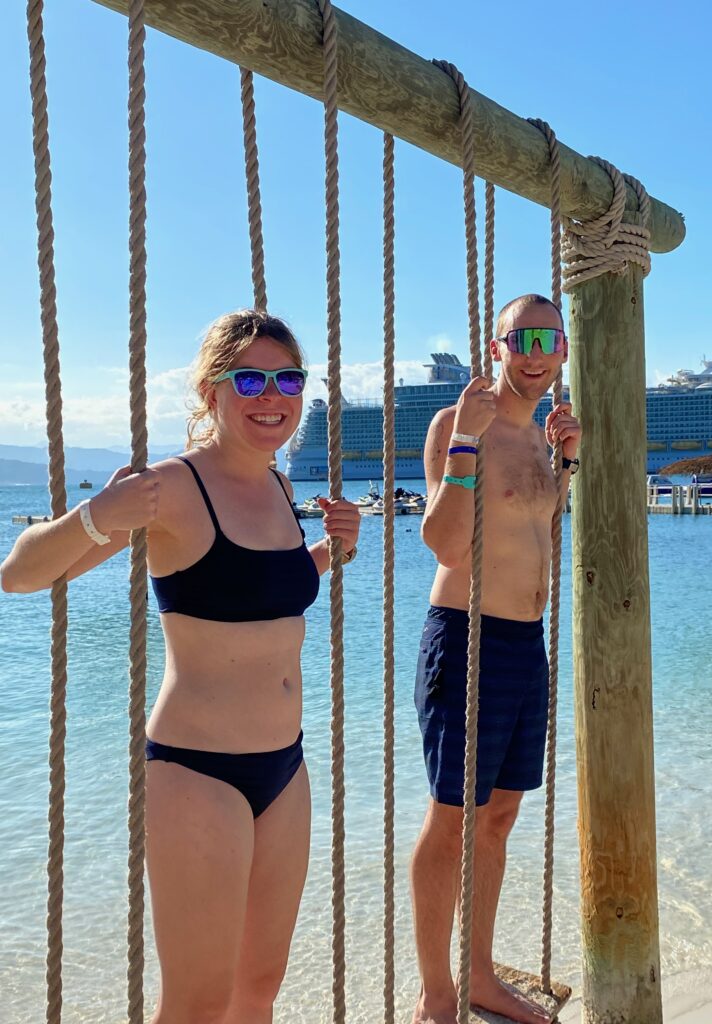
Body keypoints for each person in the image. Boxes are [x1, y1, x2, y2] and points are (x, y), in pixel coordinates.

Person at [1, 309, 361, 1024]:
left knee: (258, 988)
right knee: (195, 1005)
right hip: (197, 775)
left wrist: (329, 552)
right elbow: (19, 575)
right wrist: (98, 514)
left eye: (287, 378)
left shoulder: (283, 491)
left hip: (285, 770)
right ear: (210, 391)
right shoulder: (169, 488)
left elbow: (257, 602)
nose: (272, 396)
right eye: (250, 378)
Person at [410, 294, 581, 1024]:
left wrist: (566, 463)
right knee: (452, 818)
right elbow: (447, 545)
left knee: (499, 818)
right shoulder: (457, 423)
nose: (535, 351)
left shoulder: (544, 436)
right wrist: (465, 446)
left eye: (548, 338)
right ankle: (436, 994)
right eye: (522, 338)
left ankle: (478, 974)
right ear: (498, 344)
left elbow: (534, 533)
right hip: (468, 635)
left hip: (526, 647)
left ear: (564, 349)